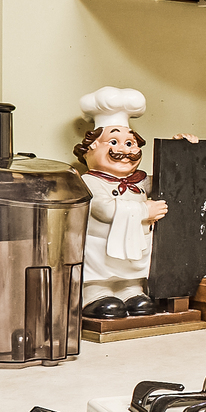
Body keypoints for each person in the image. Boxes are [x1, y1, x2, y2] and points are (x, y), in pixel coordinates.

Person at [72, 86, 170, 317]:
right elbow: (105, 209)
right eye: (114, 142)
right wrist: (145, 210)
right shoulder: (90, 181)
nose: (124, 151)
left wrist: (183, 148)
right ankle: (96, 295)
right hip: (101, 250)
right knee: (102, 274)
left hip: (135, 248)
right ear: (90, 149)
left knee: (131, 274)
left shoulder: (141, 180)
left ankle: (131, 292)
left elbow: (171, 183)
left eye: (129, 143)